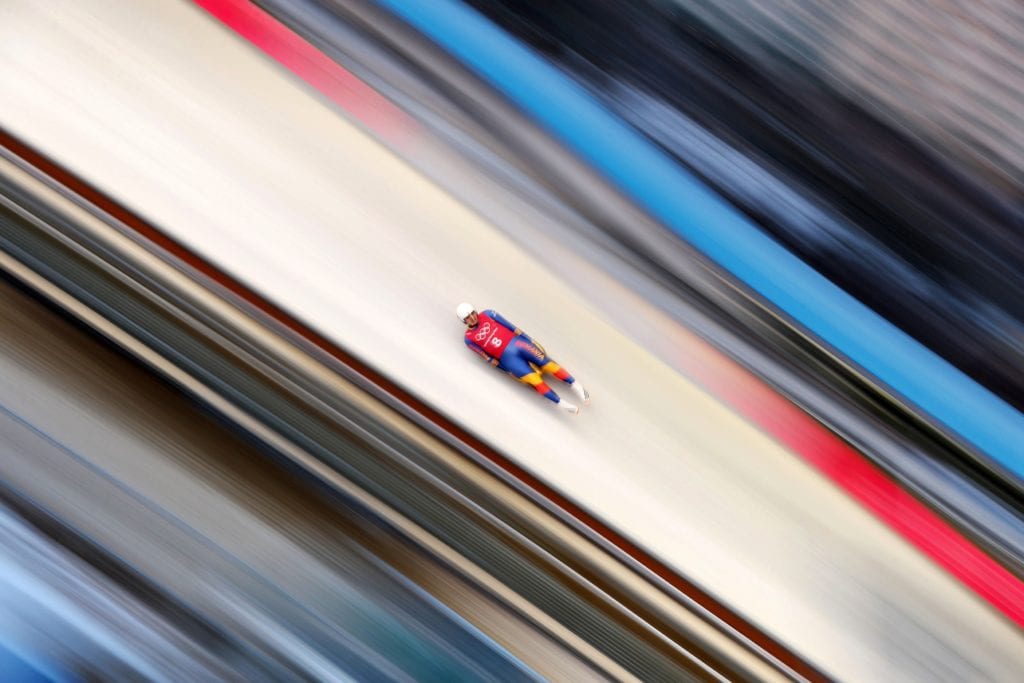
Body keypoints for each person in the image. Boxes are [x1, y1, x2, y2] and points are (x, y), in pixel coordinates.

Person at [457, 302, 590, 415]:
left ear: (475, 311)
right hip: (508, 359)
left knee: (546, 363)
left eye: (472, 314)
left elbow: (511, 327)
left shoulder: (488, 314)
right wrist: (504, 369)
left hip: (519, 343)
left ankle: (576, 386)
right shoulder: (468, 339)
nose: (473, 318)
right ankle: (561, 403)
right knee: (534, 380)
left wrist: (529, 339)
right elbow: (486, 357)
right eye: (468, 318)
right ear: (465, 321)